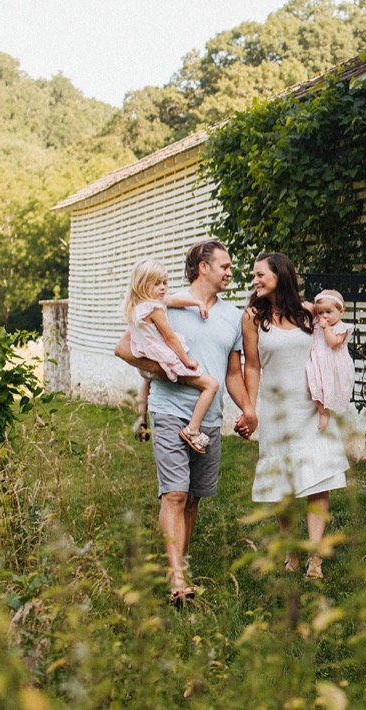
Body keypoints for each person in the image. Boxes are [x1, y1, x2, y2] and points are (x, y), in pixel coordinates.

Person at [115, 240, 256, 604]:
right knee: (174, 493)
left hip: (209, 416)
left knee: (192, 499)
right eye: (224, 266)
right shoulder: (165, 304)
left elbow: (233, 374)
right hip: (170, 409)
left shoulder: (232, 316)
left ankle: (176, 565)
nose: (230, 272)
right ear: (203, 268)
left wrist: (248, 409)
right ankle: (177, 579)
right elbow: (125, 348)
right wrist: (162, 370)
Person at [239, 252, 349, 580]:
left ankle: (316, 557)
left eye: (261, 274)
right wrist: (250, 408)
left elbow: (335, 319)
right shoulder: (252, 317)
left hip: (310, 403)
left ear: (281, 275)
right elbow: (253, 365)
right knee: (283, 484)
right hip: (276, 409)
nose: (256, 280)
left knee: (319, 479)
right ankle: (290, 548)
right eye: (254, 276)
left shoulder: (307, 313)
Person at [123, 258, 219, 454]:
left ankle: (142, 417)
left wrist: (197, 301)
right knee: (211, 385)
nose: (163, 287)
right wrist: (187, 360)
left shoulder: (137, 306)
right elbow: (170, 338)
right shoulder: (154, 309)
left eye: (165, 282)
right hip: (168, 358)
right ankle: (192, 429)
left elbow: (172, 300)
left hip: (147, 359)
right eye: (157, 283)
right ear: (142, 284)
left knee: (146, 382)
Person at [305, 289, 355, 430]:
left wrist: (326, 328)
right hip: (317, 361)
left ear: (341, 312)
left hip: (333, 364)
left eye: (328, 312)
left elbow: (334, 343)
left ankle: (326, 413)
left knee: (329, 387)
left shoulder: (341, 328)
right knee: (313, 386)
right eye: (320, 312)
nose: (324, 316)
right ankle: (322, 411)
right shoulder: (318, 322)